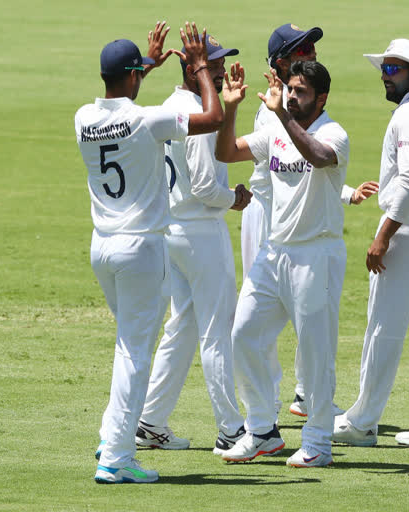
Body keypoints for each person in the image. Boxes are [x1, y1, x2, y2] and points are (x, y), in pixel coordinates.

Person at [75, 21, 223, 484]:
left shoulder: (83, 117)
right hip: (141, 248)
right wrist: (200, 69)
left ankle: (111, 436)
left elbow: (124, 103)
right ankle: (116, 457)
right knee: (135, 354)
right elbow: (213, 117)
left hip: (103, 247)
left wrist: (146, 68)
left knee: (128, 347)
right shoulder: (147, 119)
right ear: (135, 75)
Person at [216, 60, 349, 467]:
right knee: (243, 335)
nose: (292, 96)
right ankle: (261, 431)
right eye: (290, 88)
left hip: (316, 254)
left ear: (321, 98)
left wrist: (280, 114)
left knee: (315, 353)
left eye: (301, 91)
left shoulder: (333, 133)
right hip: (275, 253)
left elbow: (318, 156)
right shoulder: (275, 128)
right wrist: (231, 107)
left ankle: (319, 442)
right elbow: (225, 151)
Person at [241, 23, 378, 419]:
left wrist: (345, 191)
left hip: (295, 218)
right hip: (267, 217)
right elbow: (292, 167)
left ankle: (305, 394)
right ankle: (265, 408)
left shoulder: (303, 113)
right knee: (262, 317)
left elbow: (308, 168)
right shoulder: (271, 113)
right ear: (282, 63)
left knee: (310, 313)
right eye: (303, 52)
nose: (313, 55)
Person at [332, 39, 409, 449]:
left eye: (393, 70)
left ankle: (363, 421)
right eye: (384, 70)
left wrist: (383, 234)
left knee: (383, 327)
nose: (385, 77)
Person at [134, 34, 253, 457]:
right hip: (202, 231)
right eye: (213, 64)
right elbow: (205, 185)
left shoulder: (165, 107)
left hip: (171, 230)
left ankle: (149, 421)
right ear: (193, 69)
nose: (220, 70)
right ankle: (232, 430)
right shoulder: (200, 113)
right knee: (216, 330)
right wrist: (234, 198)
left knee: (182, 327)